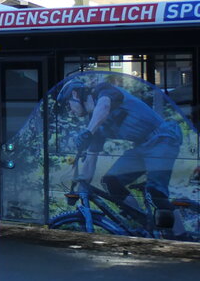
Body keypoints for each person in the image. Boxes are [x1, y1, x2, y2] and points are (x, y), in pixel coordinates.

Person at [57, 76, 182, 230]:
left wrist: (88, 131)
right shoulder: (94, 125)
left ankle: (181, 236)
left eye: (68, 106)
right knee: (111, 181)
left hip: (163, 137)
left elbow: (103, 106)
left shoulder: (102, 91)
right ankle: (143, 224)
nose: (70, 112)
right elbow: (90, 161)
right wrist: (81, 185)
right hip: (142, 146)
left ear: (75, 95)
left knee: (156, 193)